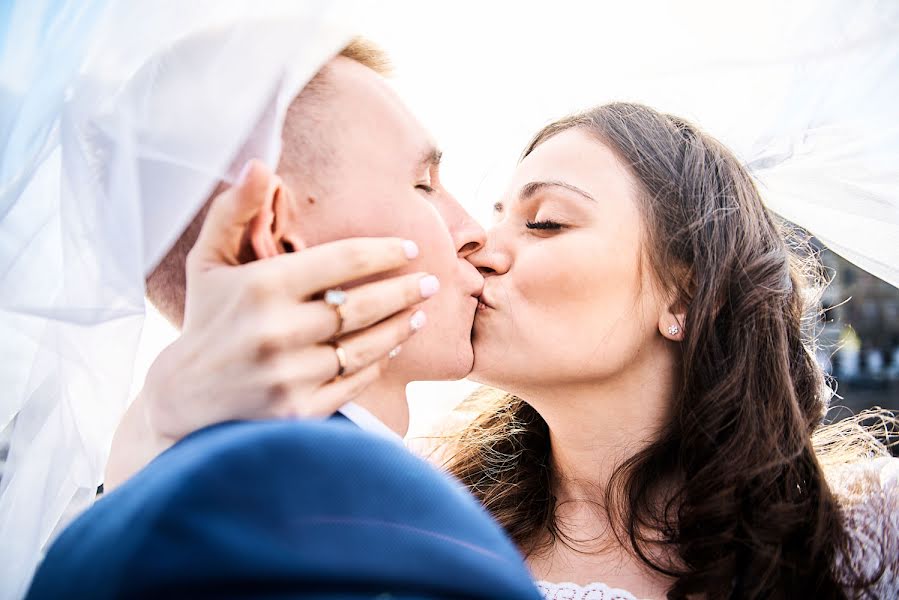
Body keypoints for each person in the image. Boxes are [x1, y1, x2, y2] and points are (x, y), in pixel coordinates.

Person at [442, 102, 899, 599]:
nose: (479, 249)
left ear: (686, 295)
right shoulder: (427, 539)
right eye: (497, 217)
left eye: (545, 222)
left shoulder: (870, 539)